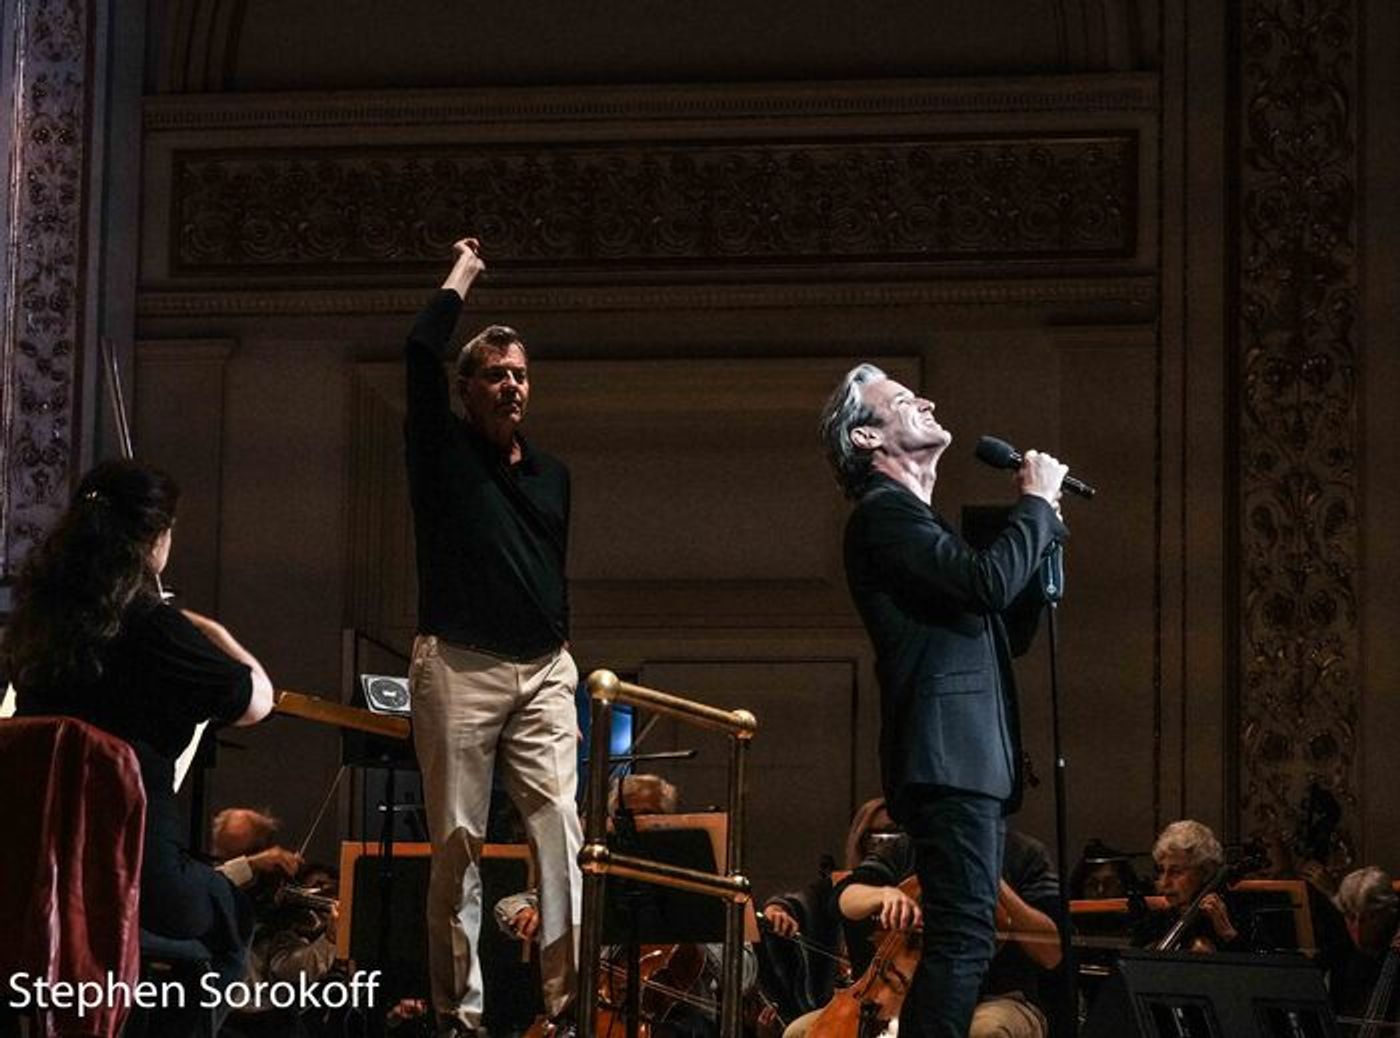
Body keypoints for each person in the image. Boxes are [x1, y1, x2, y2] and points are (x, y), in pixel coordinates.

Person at [817, 363, 1067, 1038]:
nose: (925, 400)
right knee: (961, 938)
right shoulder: (883, 515)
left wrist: (1042, 534)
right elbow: (986, 583)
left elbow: (1001, 629)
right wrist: (1035, 506)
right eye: (902, 400)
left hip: (967, 760)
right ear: (867, 437)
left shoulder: (921, 525)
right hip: (945, 758)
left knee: (966, 937)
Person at [4, 459, 276, 1018]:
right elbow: (257, 702)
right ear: (155, 538)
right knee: (231, 917)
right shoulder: (155, 626)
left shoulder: (34, 625)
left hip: (33, 873)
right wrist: (213, 632)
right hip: (138, 878)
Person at [405, 236, 583, 1037]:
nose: (512, 384)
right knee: (459, 843)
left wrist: (559, 648)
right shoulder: (441, 451)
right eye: (495, 374)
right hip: (460, 664)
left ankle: (567, 1011)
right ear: (466, 389)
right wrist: (462, 276)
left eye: (520, 374)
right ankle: (461, 1018)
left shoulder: (552, 475)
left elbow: (543, 565)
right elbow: (418, 351)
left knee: (562, 833)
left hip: (544, 668)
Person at [1137, 819, 1251, 952]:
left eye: (1177, 872)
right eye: (1162, 871)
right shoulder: (1157, 921)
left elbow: (1253, 962)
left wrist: (1227, 933)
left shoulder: (1237, 915)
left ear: (1206, 872)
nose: (1165, 882)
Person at [1332, 866, 1400, 1024]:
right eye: (1350, 917)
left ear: (1388, 914)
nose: (1358, 928)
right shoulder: (1341, 955)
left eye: (1369, 918)